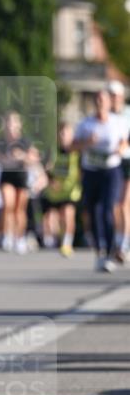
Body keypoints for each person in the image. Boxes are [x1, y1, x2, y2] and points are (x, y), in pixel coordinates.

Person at [74, 89, 128, 273]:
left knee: (107, 209)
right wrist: (87, 143)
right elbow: (72, 146)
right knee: (93, 210)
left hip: (111, 171)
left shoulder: (117, 122)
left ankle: (112, 250)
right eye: (97, 99)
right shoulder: (85, 124)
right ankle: (100, 252)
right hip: (91, 171)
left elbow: (124, 141)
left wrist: (121, 148)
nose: (100, 103)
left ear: (108, 102)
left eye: (103, 99)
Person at [0, 111, 39, 255]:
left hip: (21, 177)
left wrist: (22, 156)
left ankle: (19, 237)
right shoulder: (1, 142)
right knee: (7, 204)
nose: (10, 126)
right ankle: (6, 235)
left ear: (19, 125)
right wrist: (6, 159)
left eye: (13, 122)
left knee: (19, 209)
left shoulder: (25, 141)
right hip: (6, 176)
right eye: (7, 122)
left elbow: (34, 159)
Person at [41, 122, 81, 257]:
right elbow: (46, 167)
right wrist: (51, 180)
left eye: (66, 133)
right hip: (55, 192)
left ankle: (67, 243)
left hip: (71, 191)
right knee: (54, 218)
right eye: (61, 133)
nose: (63, 136)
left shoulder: (77, 152)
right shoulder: (53, 151)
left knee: (68, 214)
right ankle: (55, 239)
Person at [108, 80, 130, 262]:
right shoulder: (106, 115)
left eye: (115, 95)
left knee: (124, 203)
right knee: (114, 205)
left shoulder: (128, 114)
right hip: (111, 162)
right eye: (110, 95)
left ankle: (124, 244)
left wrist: (125, 144)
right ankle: (117, 239)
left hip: (128, 160)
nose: (113, 99)